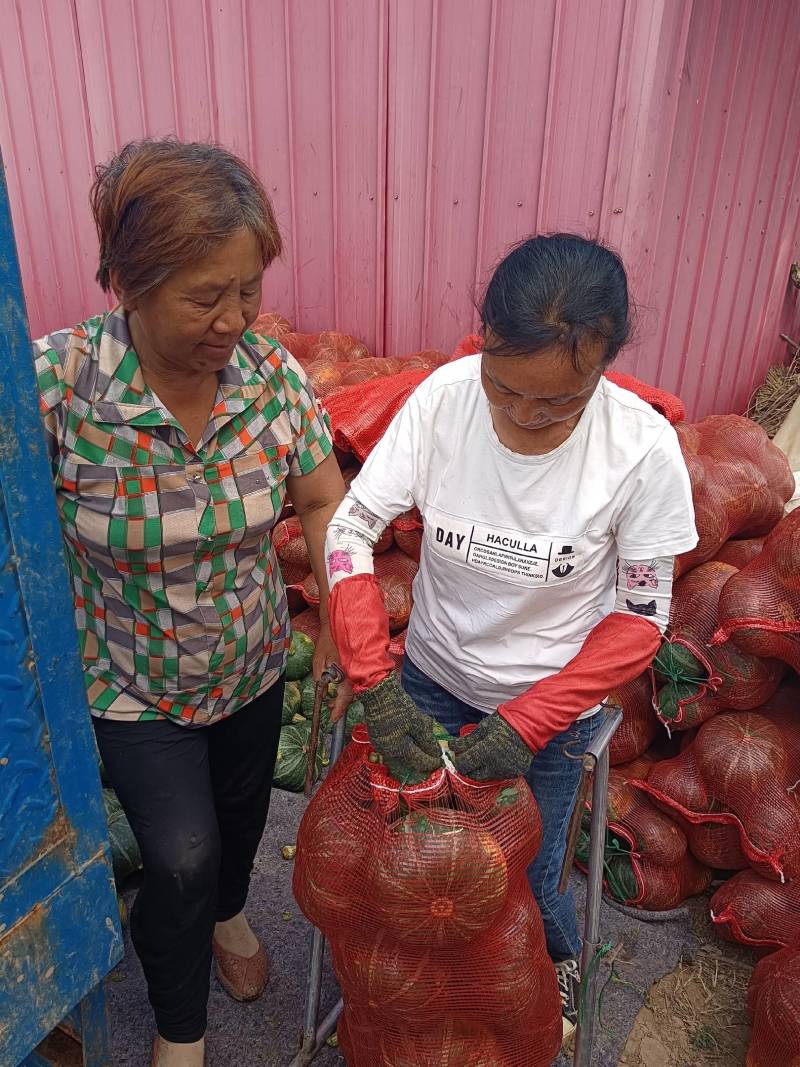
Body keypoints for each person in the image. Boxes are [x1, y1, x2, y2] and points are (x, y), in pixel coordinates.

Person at [324, 233, 698, 1027]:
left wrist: (531, 720)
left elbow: (640, 617)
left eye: (558, 401)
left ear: (602, 367)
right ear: (483, 342)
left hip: (555, 703)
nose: (526, 416)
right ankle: (422, 991)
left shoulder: (640, 448)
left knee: (520, 873)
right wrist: (374, 680)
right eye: (505, 389)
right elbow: (350, 529)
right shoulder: (444, 400)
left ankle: (553, 974)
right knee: (402, 862)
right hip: (428, 674)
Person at [33, 139, 347, 1067]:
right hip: (129, 679)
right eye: (204, 296)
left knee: (242, 820)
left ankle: (231, 911)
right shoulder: (57, 384)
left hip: (250, 661)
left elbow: (323, 498)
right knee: (176, 853)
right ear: (128, 281)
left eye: (247, 289)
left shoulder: (270, 375)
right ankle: (181, 1032)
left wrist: (337, 608)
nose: (233, 319)